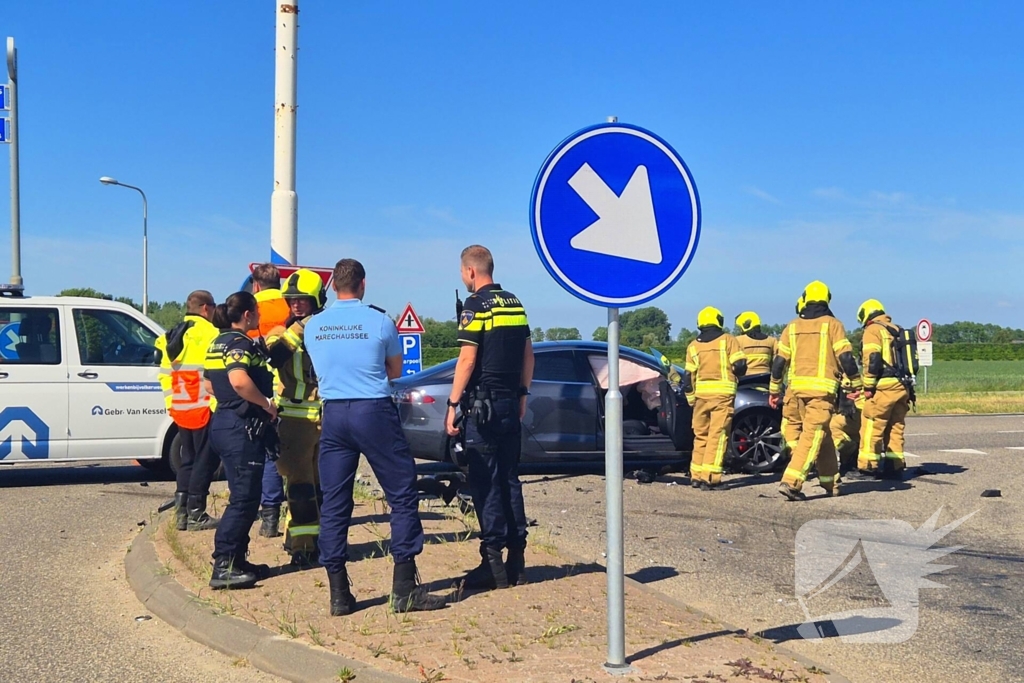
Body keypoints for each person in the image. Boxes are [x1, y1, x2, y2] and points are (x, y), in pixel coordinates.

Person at [305, 258, 446, 615]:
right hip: (373, 412)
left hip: (334, 414)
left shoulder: (313, 325)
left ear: (333, 286)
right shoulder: (381, 322)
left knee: (334, 502)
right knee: (401, 494)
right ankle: (404, 590)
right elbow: (395, 370)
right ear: (363, 284)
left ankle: (339, 595)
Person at [444, 245, 534, 590]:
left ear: (470, 271)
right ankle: (517, 563)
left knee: (486, 483)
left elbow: (467, 360)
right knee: (510, 479)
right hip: (509, 404)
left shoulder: (475, 305)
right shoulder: (515, 303)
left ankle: (492, 563)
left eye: (461, 272)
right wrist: (522, 395)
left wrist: (452, 404)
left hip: (482, 409)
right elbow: (528, 356)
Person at [204, 292, 277, 589]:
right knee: (245, 498)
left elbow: (209, 384)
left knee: (244, 494)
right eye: (257, 310)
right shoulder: (239, 343)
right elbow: (238, 380)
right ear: (247, 314)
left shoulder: (217, 342)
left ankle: (237, 559)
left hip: (224, 421)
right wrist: (265, 404)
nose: (259, 315)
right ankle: (223, 565)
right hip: (240, 427)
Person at [769, 281, 862, 500]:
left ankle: (831, 482)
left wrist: (774, 390)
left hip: (797, 392)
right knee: (813, 435)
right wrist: (857, 384)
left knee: (823, 434)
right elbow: (846, 358)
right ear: (827, 299)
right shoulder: (833, 325)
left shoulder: (792, 327)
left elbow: (779, 362)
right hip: (821, 393)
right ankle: (791, 482)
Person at [266, 269, 327, 567]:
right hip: (295, 421)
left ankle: (318, 542)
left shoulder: (329, 330)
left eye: (303, 299)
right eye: (292, 300)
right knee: (300, 487)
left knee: (321, 487)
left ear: (317, 300)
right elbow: (275, 356)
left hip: (327, 418)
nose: (296, 304)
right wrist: (301, 327)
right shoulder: (281, 332)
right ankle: (302, 548)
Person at [156, 290, 221, 532]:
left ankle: (181, 513)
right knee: (205, 461)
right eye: (213, 307)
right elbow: (217, 373)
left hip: (182, 407)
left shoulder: (172, 335)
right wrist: (217, 405)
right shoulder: (211, 334)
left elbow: (164, 375)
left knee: (188, 459)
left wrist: (171, 402)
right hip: (204, 407)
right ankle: (196, 513)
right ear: (206, 308)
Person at [680, 307, 746, 489]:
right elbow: (740, 365)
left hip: (701, 398)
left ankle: (696, 476)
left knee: (701, 436)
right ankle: (710, 478)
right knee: (717, 436)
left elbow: (687, 377)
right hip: (722, 397)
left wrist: (691, 399)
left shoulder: (693, 346)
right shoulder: (728, 340)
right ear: (719, 320)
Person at [250, 263, 289, 539]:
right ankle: (273, 517)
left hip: (254, 389)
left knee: (256, 454)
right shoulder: (290, 307)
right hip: (287, 388)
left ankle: (258, 511)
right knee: (276, 455)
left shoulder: (250, 309)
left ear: (256, 285)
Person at [856, 299, 911, 478]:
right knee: (895, 427)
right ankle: (895, 467)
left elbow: (872, 358)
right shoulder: (897, 330)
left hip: (883, 387)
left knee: (872, 426)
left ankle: (867, 467)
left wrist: (868, 386)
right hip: (902, 386)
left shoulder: (873, 330)